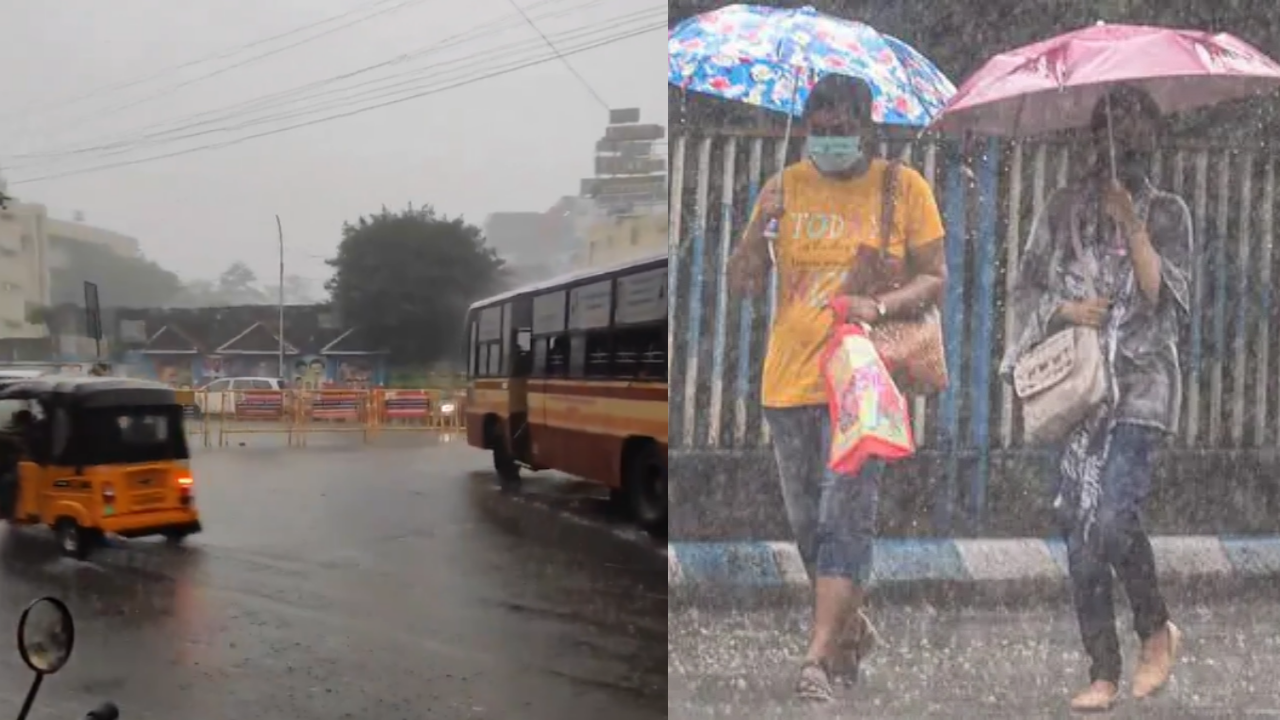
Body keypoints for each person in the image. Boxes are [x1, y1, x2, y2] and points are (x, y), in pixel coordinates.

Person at [727, 74, 947, 702]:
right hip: (788, 381)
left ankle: (817, 659)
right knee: (806, 524)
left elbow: (936, 277)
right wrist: (754, 232)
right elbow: (742, 284)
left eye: (842, 127)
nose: (829, 138)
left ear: (866, 126)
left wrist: (877, 307)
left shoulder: (902, 188)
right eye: (819, 129)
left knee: (843, 515)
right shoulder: (783, 188)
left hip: (860, 382)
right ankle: (847, 627)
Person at [1001, 86, 1192, 712]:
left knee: (1111, 517)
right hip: (1077, 392)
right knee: (1079, 528)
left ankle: (1155, 628)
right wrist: (1064, 309)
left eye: (1136, 128)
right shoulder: (1061, 210)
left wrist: (1131, 222)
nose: (1124, 141)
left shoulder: (1168, 213)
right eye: (1113, 127)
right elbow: (1027, 290)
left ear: (1153, 137)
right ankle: (1103, 668)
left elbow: (1165, 297)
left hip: (1139, 387)